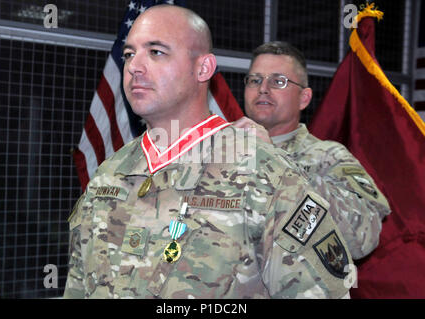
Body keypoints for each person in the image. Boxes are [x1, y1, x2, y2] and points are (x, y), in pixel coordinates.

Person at [64, 5, 354, 299]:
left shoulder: (265, 174)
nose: (134, 66)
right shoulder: (110, 173)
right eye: (129, 54)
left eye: (156, 52)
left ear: (203, 68)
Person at [234, 41, 391, 260]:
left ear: (304, 98)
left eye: (278, 81)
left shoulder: (328, 156)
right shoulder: (223, 150)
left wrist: (279, 164)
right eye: (255, 80)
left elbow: (363, 237)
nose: (263, 88)